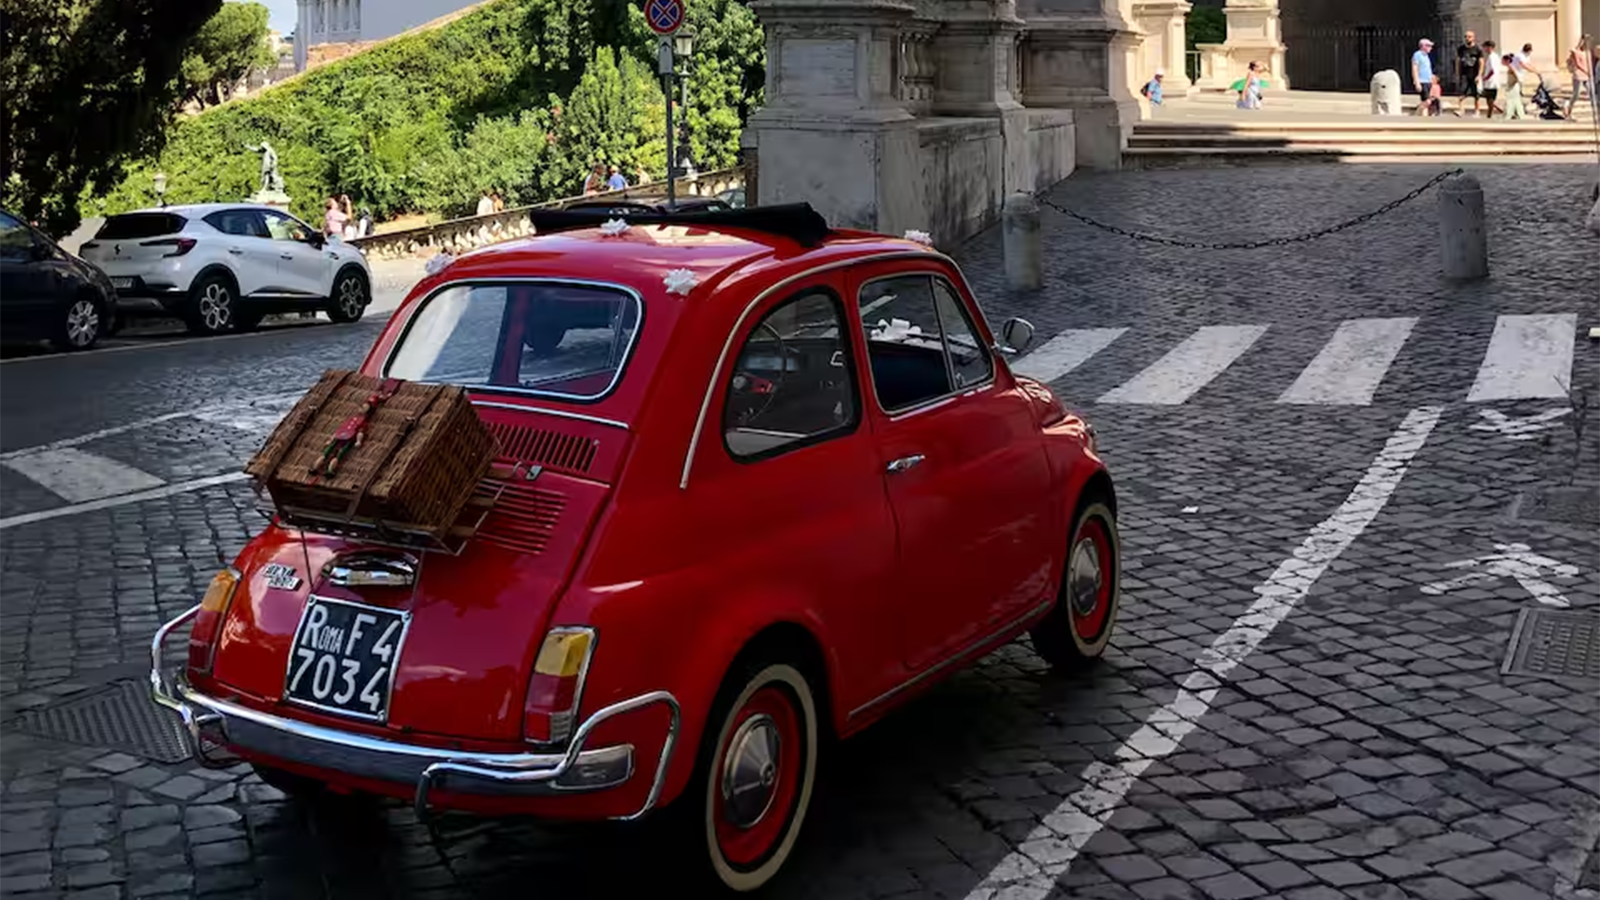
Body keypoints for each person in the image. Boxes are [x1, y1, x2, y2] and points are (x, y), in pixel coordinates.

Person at [1457, 32, 1485, 116]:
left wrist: (1479, 75)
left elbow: (1481, 63)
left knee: (1476, 94)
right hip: (1464, 74)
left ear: (1473, 38)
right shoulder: (1461, 49)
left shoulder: (1477, 49)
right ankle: (1461, 110)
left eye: (1469, 37)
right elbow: (1458, 61)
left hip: (1474, 74)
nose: (1467, 38)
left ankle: (1477, 111)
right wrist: (1458, 73)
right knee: (1462, 92)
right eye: (1465, 37)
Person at [1566, 35, 1592, 119]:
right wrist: (1587, 71)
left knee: (1592, 92)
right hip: (1578, 75)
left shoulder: (1587, 52)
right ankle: (1568, 111)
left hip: (1586, 76)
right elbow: (1578, 64)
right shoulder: (1576, 52)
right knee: (1576, 95)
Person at [1412, 39, 1436, 116]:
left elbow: (1427, 68)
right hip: (1422, 81)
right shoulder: (1417, 55)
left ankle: (1424, 119)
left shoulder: (1426, 56)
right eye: (1429, 46)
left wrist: (1432, 77)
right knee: (1427, 101)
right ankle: (1416, 114)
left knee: (1425, 101)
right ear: (1423, 46)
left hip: (1428, 81)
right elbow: (1414, 68)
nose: (1431, 48)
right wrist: (1417, 82)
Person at [1481, 41, 1502, 117]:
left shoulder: (1492, 57)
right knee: (1490, 99)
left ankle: (1490, 114)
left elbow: (1492, 70)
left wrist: (1486, 78)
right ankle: (1493, 112)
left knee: (1489, 99)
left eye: (1485, 47)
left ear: (1489, 47)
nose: (1484, 49)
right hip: (1493, 81)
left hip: (1491, 81)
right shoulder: (1494, 56)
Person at [1502, 53, 1527, 120]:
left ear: (1507, 60)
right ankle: (1520, 115)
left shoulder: (1511, 67)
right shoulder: (1511, 66)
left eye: (1503, 60)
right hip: (1513, 86)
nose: (1502, 62)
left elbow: (1516, 76)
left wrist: (1513, 83)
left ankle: (1508, 115)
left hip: (1513, 87)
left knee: (1510, 101)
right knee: (1516, 101)